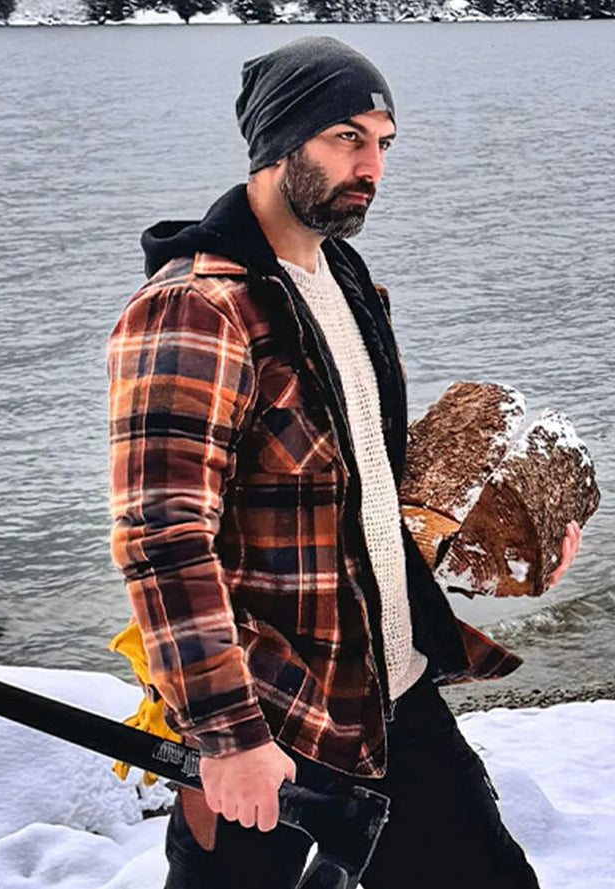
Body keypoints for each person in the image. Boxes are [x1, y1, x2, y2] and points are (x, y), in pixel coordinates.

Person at [107, 37, 581, 889]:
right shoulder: (196, 308)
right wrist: (228, 737)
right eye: (345, 137)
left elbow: (359, 488)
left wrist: (491, 539)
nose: (372, 166)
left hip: (390, 698)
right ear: (279, 144)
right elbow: (163, 537)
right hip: (275, 715)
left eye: (383, 142)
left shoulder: (346, 279)